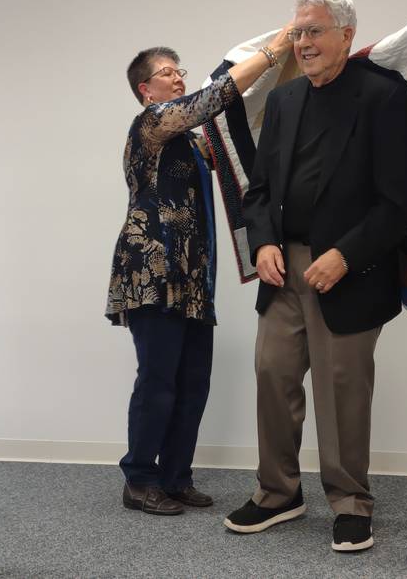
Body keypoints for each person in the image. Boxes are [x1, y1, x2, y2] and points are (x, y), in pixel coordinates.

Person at [223, 0, 407, 552]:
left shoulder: (384, 96)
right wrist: (261, 244)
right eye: (299, 32)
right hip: (284, 268)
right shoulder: (283, 101)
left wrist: (346, 255)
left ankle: (352, 503)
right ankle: (278, 492)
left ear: (346, 36)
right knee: (272, 374)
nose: (302, 43)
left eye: (313, 31)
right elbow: (258, 191)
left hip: (349, 271)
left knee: (342, 391)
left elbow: (395, 200)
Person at [105, 27, 292, 516]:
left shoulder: (189, 141)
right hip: (152, 272)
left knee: (193, 382)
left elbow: (235, 130)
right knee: (159, 380)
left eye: (178, 70)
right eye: (168, 73)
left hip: (191, 277)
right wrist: (273, 52)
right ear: (146, 89)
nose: (178, 77)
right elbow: (216, 98)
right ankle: (140, 478)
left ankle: (175, 476)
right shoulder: (151, 123)